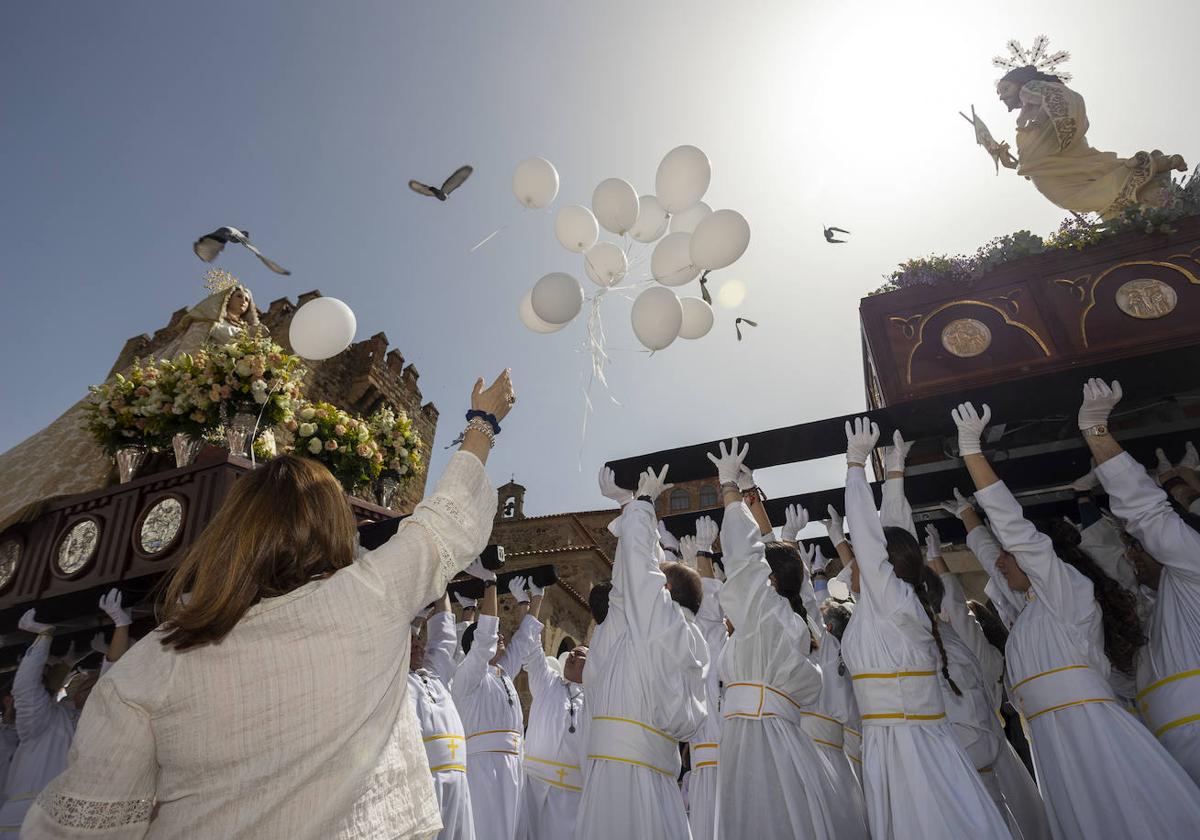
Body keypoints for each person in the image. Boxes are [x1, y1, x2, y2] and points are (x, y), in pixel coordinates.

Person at [23, 370, 515, 839]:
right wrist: (482, 423)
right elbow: (445, 522)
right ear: (332, 532)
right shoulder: (367, 600)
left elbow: (81, 825)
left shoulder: (151, 664)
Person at [952, 399, 1200, 837]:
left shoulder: (1068, 595)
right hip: (1055, 744)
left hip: (1092, 737)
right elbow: (1000, 558)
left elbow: (1016, 534)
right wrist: (970, 522)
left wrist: (972, 454)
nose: (1001, 563)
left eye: (1012, 556)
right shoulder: (1030, 613)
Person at [840, 417, 1011, 839]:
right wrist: (894, 473)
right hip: (895, 743)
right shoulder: (895, 603)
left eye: (860, 562)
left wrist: (856, 468)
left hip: (908, 746)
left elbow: (872, 538)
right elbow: (894, 536)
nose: (853, 568)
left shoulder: (896, 603)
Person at [708, 439, 867, 840]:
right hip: (772, 731)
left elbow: (746, 559)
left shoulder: (768, 613)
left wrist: (730, 491)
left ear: (770, 581)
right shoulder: (800, 622)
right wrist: (751, 499)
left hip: (756, 734)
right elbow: (779, 571)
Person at [575, 466, 708, 840]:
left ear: (664, 589)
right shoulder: (668, 631)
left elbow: (638, 576)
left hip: (624, 777)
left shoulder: (664, 624)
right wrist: (628, 505)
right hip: (641, 773)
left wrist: (644, 505)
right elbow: (628, 587)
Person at [1077, 380, 1200, 785]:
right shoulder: (1162, 595)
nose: (1132, 556)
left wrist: (1097, 431)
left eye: (1138, 550)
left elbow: (1149, 514)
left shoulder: (1194, 565)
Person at [926, 523, 1052, 840]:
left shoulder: (979, 652)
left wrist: (937, 562)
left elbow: (955, 607)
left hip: (986, 751)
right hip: (993, 746)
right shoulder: (983, 655)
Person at [451, 567, 542, 840]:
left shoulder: (502, 674)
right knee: (487, 829)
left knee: (514, 831)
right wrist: (490, 583)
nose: (501, 637)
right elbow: (485, 641)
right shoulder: (467, 676)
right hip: (484, 769)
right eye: (496, 635)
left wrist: (533, 599)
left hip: (514, 766)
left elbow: (524, 641)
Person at [515, 580, 586, 840]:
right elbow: (530, 648)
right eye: (573, 653)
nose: (574, 655)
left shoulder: (595, 699)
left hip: (573, 796)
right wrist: (530, 602)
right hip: (535, 786)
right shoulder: (547, 683)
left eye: (581, 654)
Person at [411, 592, 475, 840]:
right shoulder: (399, 682)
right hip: (427, 779)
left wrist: (441, 585)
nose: (418, 646)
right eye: (412, 643)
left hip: (458, 778)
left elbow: (444, 638)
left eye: (419, 643)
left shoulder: (436, 675)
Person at [679, 515, 726, 840]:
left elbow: (709, 617)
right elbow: (709, 618)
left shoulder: (710, 642)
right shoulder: (707, 642)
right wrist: (700, 558)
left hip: (716, 767)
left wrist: (700, 558)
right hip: (707, 768)